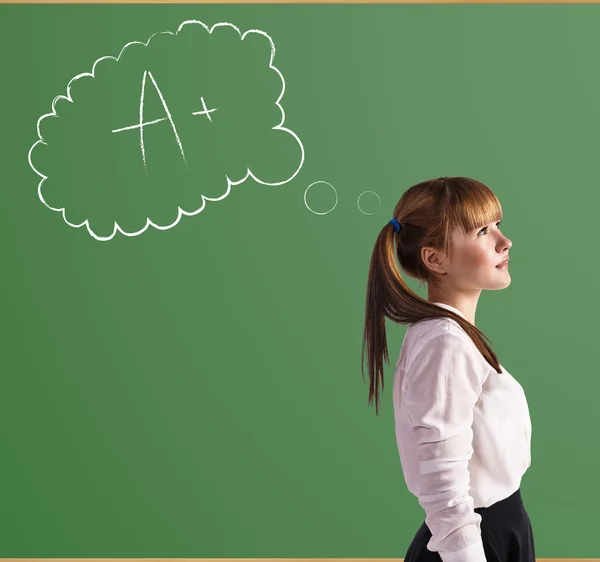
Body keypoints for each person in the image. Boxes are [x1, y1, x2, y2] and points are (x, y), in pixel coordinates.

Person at [361, 177, 534, 562]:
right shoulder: (444, 344)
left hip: (499, 532)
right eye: (482, 231)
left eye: (498, 225)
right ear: (434, 259)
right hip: (475, 543)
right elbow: (444, 488)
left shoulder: (451, 336)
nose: (503, 242)